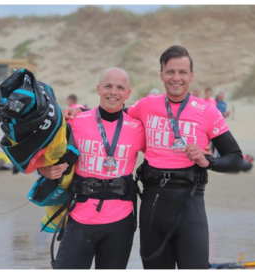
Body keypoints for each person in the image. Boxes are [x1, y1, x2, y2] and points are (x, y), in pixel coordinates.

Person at [64, 45, 244, 271]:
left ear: (191, 76)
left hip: (190, 203)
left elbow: (236, 158)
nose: (176, 78)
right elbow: (112, 112)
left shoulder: (207, 111)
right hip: (153, 203)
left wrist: (208, 162)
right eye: (170, 72)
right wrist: (80, 110)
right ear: (161, 74)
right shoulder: (147, 105)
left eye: (182, 72)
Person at [39, 68, 144, 271]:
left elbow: (165, 157)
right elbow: (44, 155)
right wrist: (43, 170)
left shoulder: (138, 128)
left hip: (120, 222)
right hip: (79, 218)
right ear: (98, 89)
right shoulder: (75, 121)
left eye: (120, 87)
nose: (113, 92)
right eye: (108, 86)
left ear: (128, 93)